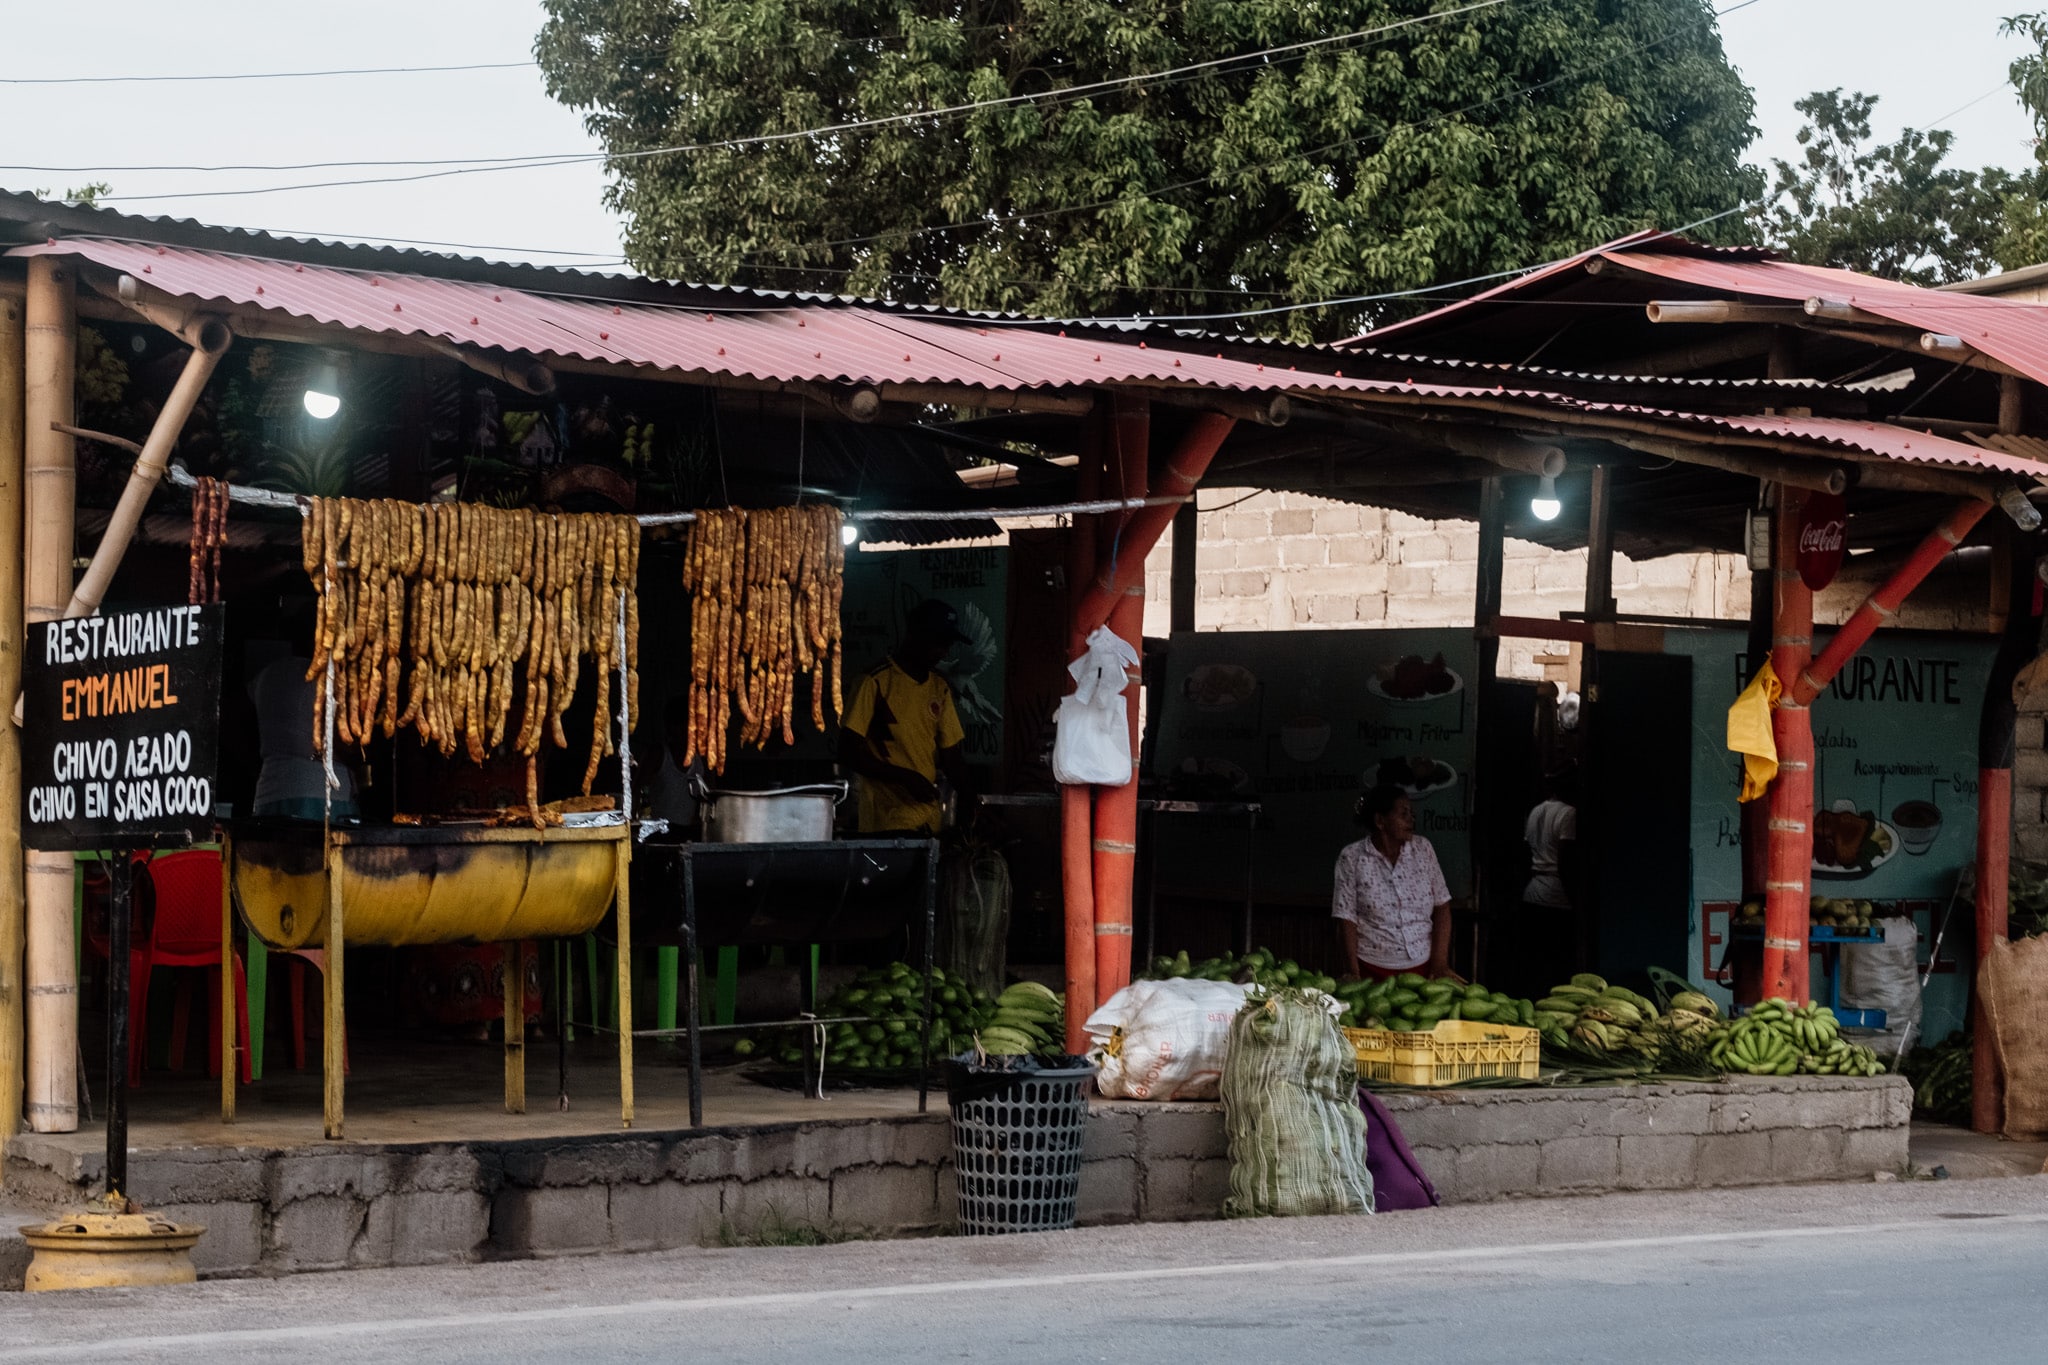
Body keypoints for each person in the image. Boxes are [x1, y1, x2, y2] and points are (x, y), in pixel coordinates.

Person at [838, 599, 971, 836]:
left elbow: (952, 757)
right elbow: (848, 750)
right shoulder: (874, 682)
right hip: (886, 824)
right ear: (916, 636)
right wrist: (905, 778)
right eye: (939, 642)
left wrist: (974, 804)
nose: (944, 652)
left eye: (947, 645)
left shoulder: (939, 688)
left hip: (929, 821)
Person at [1332, 783, 1454, 981]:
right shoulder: (1352, 857)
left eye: (1411, 813)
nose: (1411, 819)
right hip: (1371, 970)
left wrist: (1440, 964)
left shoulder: (1423, 850)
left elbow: (1442, 906)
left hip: (1422, 968)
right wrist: (1353, 973)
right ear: (1380, 821)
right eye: (1403, 814)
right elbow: (1346, 918)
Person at [248, 603, 358, 820]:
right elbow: (347, 743)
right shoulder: (331, 680)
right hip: (321, 790)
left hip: (270, 788)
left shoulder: (267, 675)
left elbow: (237, 716)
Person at [1513, 768, 1580, 996]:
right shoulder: (1569, 813)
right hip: (1556, 895)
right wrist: (1575, 898)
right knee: (1557, 965)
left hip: (1532, 891)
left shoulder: (1535, 811)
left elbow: (1525, 852)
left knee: (1533, 961)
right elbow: (1565, 861)